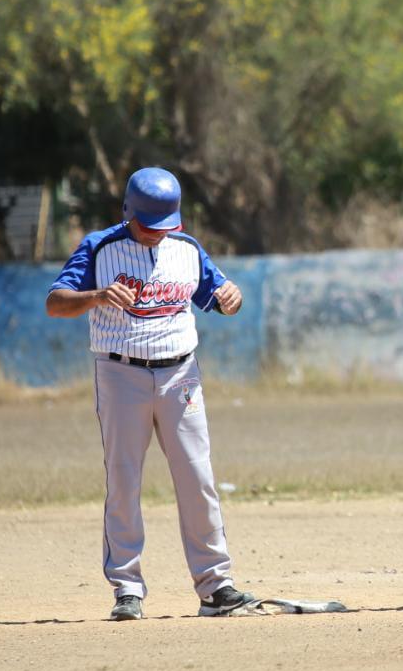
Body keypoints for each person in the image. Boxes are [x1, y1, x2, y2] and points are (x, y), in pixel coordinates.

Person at [46, 167, 254, 621]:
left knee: (198, 478)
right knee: (124, 481)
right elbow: (55, 302)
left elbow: (218, 293)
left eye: (167, 226)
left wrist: (229, 296)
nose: (158, 235)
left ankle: (216, 587)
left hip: (181, 372)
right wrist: (97, 296)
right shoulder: (99, 247)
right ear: (127, 213)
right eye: (149, 226)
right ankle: (127, 589)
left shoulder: (185, 247)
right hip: (121, 374)